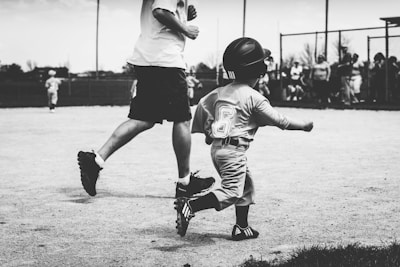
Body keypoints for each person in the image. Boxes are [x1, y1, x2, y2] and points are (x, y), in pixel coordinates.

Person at [174, 37, 314, 240]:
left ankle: (242, 227)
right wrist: (304, 126)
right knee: (232, 191)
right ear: (259, 71)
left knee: (246, 186)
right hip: (233, 151)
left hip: (218, 150)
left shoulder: (220, 92)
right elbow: (280, 121)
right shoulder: (254, 97)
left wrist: (208, 132)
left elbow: (203, 106)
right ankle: (191, 206)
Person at [77, 0, 214, 198]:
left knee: (143, 119)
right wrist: (185, 28)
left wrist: (183, 15)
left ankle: (95, 161)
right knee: (182, 119)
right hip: (165, 61)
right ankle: (185, 183)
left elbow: (160, 14)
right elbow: (159, 11)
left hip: (149, 59)